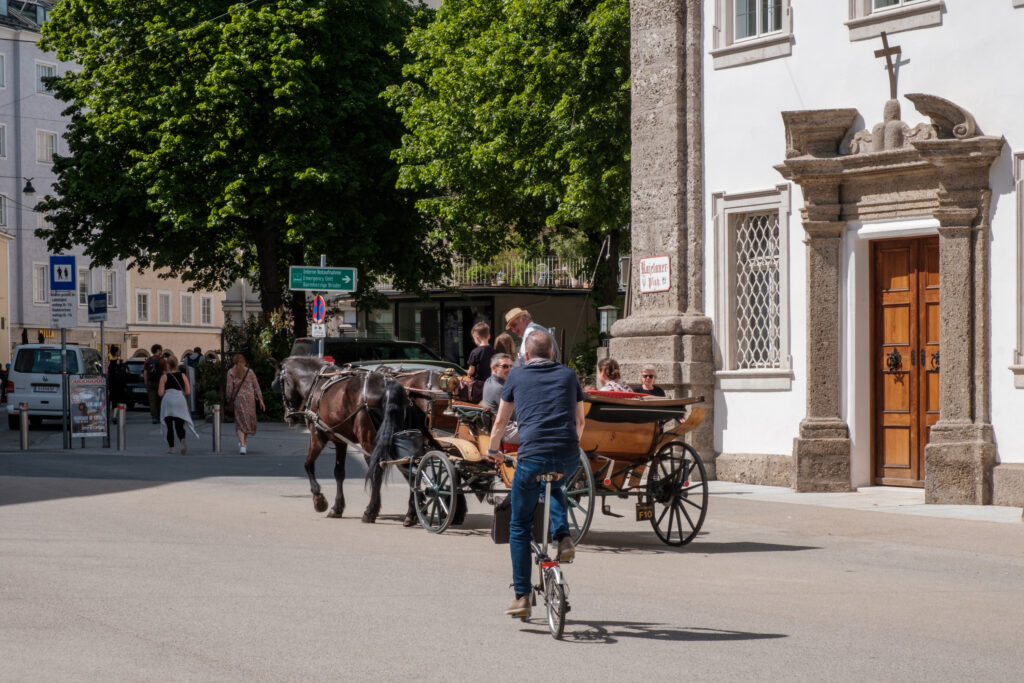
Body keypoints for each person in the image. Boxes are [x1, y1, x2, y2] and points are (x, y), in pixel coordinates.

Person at [487, 331, 584, 619]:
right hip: (567, 454)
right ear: (553, 354)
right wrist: (572, 445)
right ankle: (563, 535)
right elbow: (579, 420)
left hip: (532, 455)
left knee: (519, 524)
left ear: (526, 356)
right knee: (555, 483)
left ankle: (522, 596)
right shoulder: (569, 375)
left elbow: (501, 421)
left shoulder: (516, 376)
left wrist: (493, 450)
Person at [227, 353, 265, 455]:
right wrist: (260, 400)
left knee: (240, 422)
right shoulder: (250, 372)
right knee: (247, 422)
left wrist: (228, 399)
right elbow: (256, 386)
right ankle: (243, 443)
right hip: (250, 400)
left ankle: (243, 445)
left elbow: (229, 388)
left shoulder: (230, 372)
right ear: (243, 361)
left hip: (238, 400)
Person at [159, 356, 198, 454]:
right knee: (179, 425)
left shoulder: (164, 377)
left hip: (168, 402)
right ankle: (182, 439)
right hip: (180, 401)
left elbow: (160, 393)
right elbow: (188, 391)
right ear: (176, 365)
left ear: (168, 365)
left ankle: (172, 448)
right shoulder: (183, 376)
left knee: (169, 426)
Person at [480, 353, 519, 445]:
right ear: (494, 368)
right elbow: (516, 414)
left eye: (510, 366)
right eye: (505, 366)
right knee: (540, 432)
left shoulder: (489, 381)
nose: (509, 369)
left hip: (503, 427)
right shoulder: (499, 388)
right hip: (505, 430)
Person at [143, 344, 165, 424]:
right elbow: (164, 372)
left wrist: (146, 382)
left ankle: (154, 417)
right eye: (161, 350)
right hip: (159, 382)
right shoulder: (162, 360)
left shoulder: (148, 360)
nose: (161, 351)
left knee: (152, 401)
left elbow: (145, 372)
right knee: (159, 400)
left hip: (150, 382)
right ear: (158, 350)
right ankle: (159, 417)